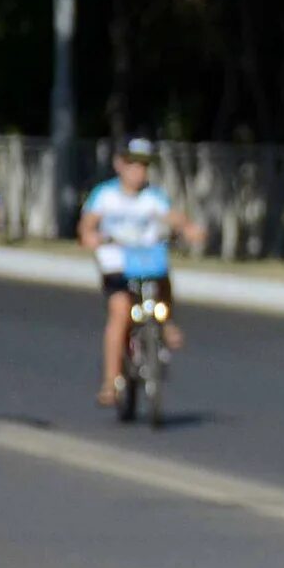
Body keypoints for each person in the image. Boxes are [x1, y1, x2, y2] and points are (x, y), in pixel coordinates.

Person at [80, 137, 205, 406]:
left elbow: (172, 217)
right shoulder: (105, 195)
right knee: (121, 313)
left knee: (163, 280)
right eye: (133, 164)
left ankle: (167, 323)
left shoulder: (153, 197)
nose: (139, 171)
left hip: (146, 260)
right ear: (120, 165)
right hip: (116, 264)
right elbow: (87, 224)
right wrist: (90, 236)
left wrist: (189, 229)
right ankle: (111, 382)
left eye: (144, 166)